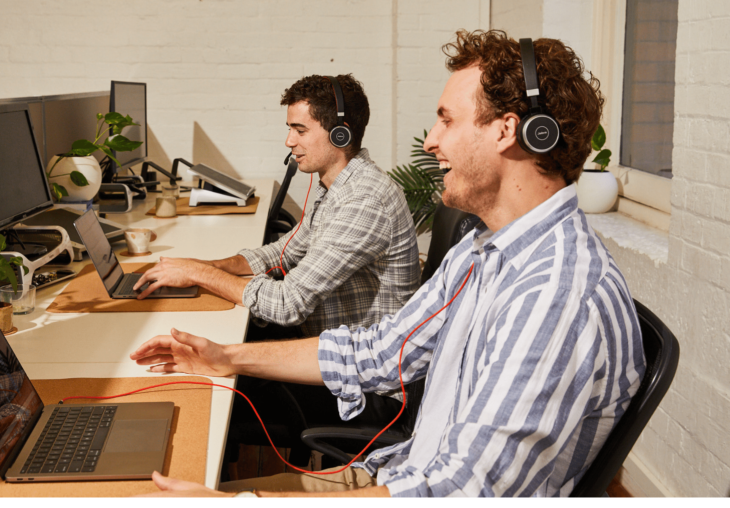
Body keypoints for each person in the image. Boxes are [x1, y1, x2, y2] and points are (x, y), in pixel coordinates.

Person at [130, 29, 646, 497]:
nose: (430, 141)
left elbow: (454, 493)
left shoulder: (552, 296)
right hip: (399, 470)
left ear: (508, 130)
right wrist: (226, 356)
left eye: (446, 120)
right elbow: (381, 351)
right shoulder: (483, 250)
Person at [133, 74, 420, 339]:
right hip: (319, 346)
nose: (289, 141)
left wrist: (200, 275)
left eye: (300, 130)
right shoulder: (336, 188)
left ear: (339, 135)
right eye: (290, 129)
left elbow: (287, 304)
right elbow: (283, 253)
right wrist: (205, 266)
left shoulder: (364, 200)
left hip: (355, 375)